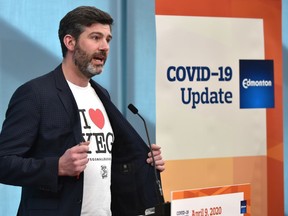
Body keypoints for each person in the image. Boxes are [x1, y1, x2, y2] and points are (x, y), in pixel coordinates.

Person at [0, 6, 165, 216]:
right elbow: (3, 163)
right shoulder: (35, 94)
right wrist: (57, 167)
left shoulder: (102, 95)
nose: (104, 47)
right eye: (95, 37)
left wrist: (144, 162)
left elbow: (110, 162)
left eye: (108, 39)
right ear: (70, 42)